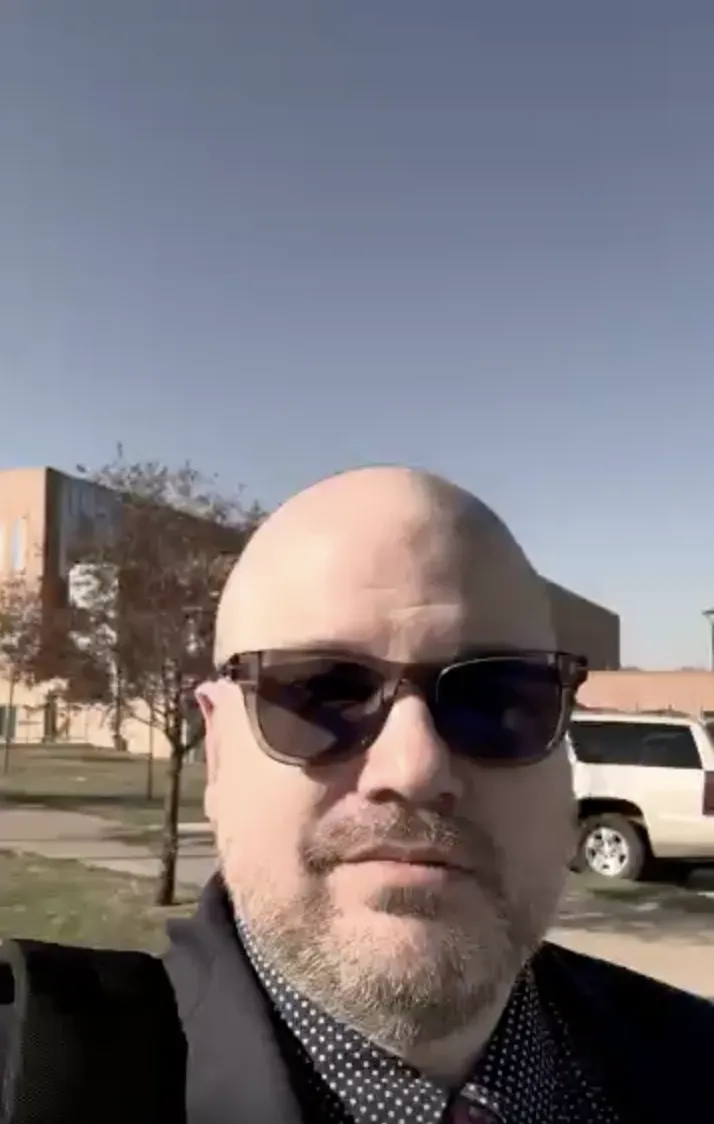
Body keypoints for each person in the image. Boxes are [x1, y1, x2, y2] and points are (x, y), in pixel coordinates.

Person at [0, 466, 711, 1124]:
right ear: (216, 755)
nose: (413, 768)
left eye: (496, 698)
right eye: (320, 693)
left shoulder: (692, 1063)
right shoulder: (34, 1077)